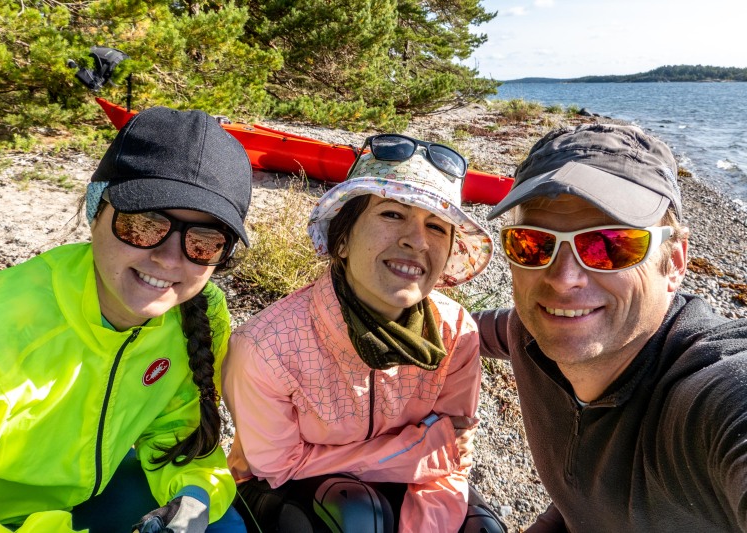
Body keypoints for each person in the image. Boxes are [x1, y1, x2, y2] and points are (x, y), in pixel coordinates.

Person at [0, 106, 252, 533]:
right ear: (96, 210)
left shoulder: (200, 312)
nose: (167, 259)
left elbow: (176, 429)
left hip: (92, 493)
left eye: (203, 242)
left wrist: (194, 495)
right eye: (144, 225)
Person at [222, 134, 507, 533]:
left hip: (408, 479)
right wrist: (422, 447)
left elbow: (450, 464)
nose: (417, 241)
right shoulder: (267, 346)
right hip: (281, 489)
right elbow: (277, 465)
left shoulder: (456, 332)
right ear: (342, 239)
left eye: (438, 226)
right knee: (356, 517)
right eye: (392, 214)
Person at [474, 123, 747, 532]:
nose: (563, 278)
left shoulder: (711, 395)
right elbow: (456, 327)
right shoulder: (529, 333)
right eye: (532, 243)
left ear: (674, 262)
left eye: (610, 245)